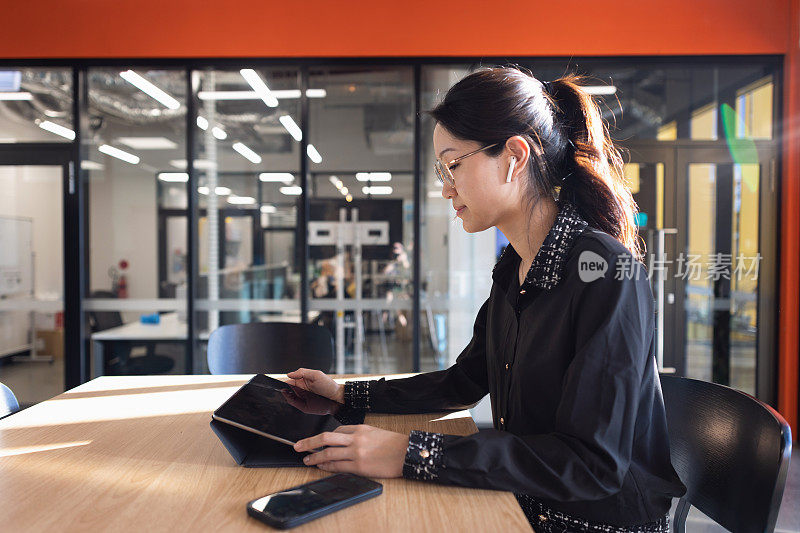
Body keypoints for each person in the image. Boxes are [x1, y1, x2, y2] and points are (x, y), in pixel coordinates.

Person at [286, 66, 686, 532]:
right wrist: (343, 395)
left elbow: (591, 464)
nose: (445, 188)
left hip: (590, 521)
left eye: (453, 164)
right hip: (526, 500)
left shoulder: (604, 272)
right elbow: (462, 382)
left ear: (514, 157)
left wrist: (411, 452)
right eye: (442, 170)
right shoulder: (514, 268)